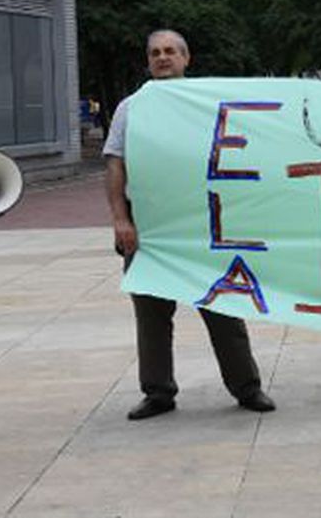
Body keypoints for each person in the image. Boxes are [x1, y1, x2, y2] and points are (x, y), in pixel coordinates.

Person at [105, 29, 277, 420]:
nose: (162, 58)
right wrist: (120, 219)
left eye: (170, 51)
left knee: (223, 308)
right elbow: (115, 163)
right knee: (151, 316)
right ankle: (158, 392)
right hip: (148, 230)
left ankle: (246, 386)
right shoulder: (131, 108)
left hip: (204, 228)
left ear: (186, 59)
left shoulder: (206, 105)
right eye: (155, 53)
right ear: (148, 61)